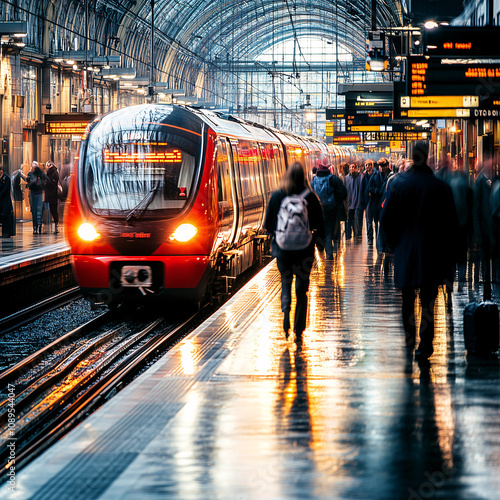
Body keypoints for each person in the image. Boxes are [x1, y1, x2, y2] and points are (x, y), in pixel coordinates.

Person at [380, 141, 458, 362]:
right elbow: (451, 226)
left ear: (412, 158)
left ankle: (409, 339)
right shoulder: (440, 188)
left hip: (405, 253)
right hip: (432, 255)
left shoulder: (399, 186)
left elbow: (385, 220)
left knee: (407, 299)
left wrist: (396, 243)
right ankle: (425, 347)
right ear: (428, 156)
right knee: (428, 303)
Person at [264, 162, 325, 341]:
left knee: (286, 282)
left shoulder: (277, 196)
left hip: (283, 251)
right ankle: (299, 330)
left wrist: (279, 235)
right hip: (304, 251)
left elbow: (268, 225)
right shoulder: (310, 197)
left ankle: (285, 316)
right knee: (301, 290)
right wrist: (320, 247)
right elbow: (319, 225)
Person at [311, 157, 347, 259]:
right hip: (332, 210)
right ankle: (330, 254)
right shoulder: (333, 179)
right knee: (330, 232)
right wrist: (337, 199)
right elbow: (343, 193)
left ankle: (323, 250)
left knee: (322, 231)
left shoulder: (313, 181)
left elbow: (310, 196)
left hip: (319, 211)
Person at [20, 161, 48, 234]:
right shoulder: (40, 174)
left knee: (36, 210)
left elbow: (28, 181)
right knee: (36, 210)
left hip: (35, 193)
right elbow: (47, 180)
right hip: (36, 193)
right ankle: (37, 226)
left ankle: (37, 226)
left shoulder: (32, 174)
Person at [345, 162, 362, 239]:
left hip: (357, 201)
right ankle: (349, 234)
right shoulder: (346, 178)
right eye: (351, 167)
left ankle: (358, 232)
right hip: (349, 202)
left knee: (358, 218)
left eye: (353, 167)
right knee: (350, 219)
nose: (352, 169)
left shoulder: (360, 177)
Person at [44, 160, 60, 233]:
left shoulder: (53, 172)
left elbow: (53, 183)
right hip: (52, 194)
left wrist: (46, 181)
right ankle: (55, 224)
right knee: (53, 209)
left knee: (53, 209)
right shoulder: (52, 172)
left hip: (52, 194)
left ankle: (56, 224)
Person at [0, 166, 14, 238]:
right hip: (1, 201)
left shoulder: (7, 178)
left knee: (5, 216)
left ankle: (6, 233)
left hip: (5, 201)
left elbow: (5, 190)